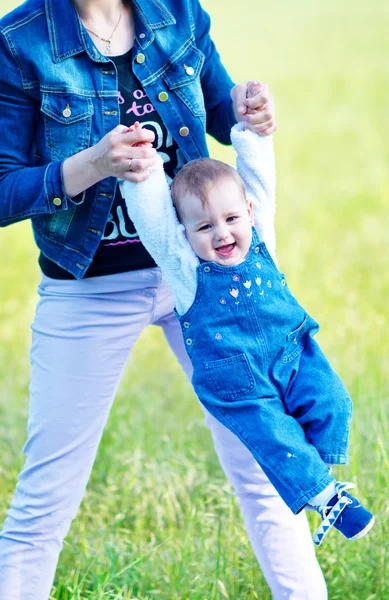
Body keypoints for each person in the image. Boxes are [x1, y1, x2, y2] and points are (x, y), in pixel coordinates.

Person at [0, 0, 327, 598]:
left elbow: (225, 108)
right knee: (45, 497)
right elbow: (3, 188)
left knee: (265, 467)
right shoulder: (21, 39)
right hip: (89, 284)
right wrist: (93, 163)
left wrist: (253, 113)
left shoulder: (178, 12)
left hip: (203, 280)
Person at [121, 107, 375, 546]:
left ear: (250, 213)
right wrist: (142, 176)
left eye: (231, 219)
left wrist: (251, 133)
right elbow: (155, 224)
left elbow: (258, 177)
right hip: (237, 378)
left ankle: (315, 471)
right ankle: (326, 498)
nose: (221, 234)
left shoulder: (263, 236)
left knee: (335, 403)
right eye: (204, 227)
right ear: (185, 234)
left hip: (292, 352)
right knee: (275, 436)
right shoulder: (186, 267)